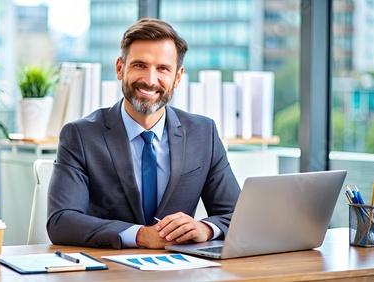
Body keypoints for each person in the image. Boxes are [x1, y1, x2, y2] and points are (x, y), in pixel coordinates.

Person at [47, 18, 241, 249]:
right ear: (120, 68)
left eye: (162, 69)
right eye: (140, 65)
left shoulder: (203, 133)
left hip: (180, 270)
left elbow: (237, 214)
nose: (150, 80)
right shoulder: (80, 135)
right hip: (109, 270)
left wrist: (205, 228)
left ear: (177, 77)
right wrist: (140, 235)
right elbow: (61, 222)